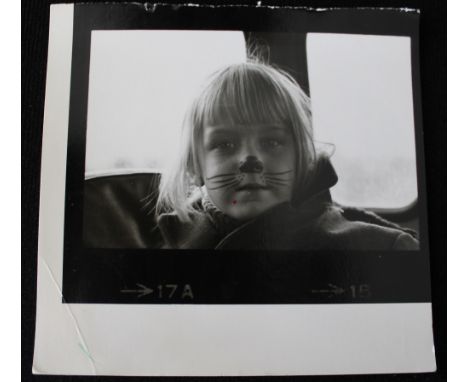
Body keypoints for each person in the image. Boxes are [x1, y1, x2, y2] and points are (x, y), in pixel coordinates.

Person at [155, 61, 419, 250]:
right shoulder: (166, 245)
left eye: (271, 142)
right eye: (225, 144)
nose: (250, 160)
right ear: (194, 165)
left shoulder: (378, 249)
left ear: (301, 159)